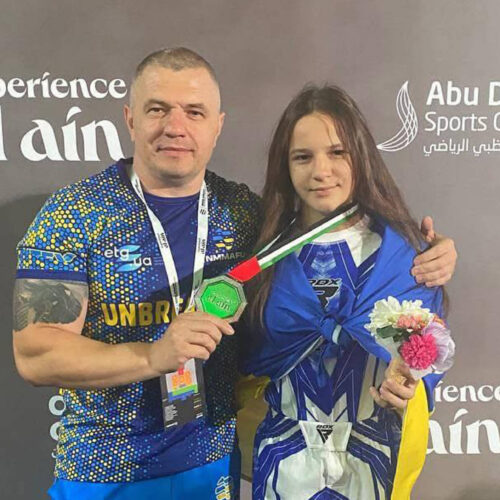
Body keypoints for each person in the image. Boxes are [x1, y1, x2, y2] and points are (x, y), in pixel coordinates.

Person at [12, 47, 455, 499]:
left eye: (194, 112)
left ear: (217, 125)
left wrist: (432, 253)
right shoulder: (75, 213)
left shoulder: (247, 216)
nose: (175, 126)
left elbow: (332, 231)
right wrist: (151, 356)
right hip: (105, 469)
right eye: (157, 109)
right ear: (130, 118)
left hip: (215, 464)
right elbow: (35, 355)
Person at [242, 85, 452, 500]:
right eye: (303, 157)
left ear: (361, 156)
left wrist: (409, 382)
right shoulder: (260, 256)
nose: (321, 171)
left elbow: (429, 348)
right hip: (284, 456)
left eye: (338, 152)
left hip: (371, 457)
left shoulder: (405, 257)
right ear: (285, 166)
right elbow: (241, 357)